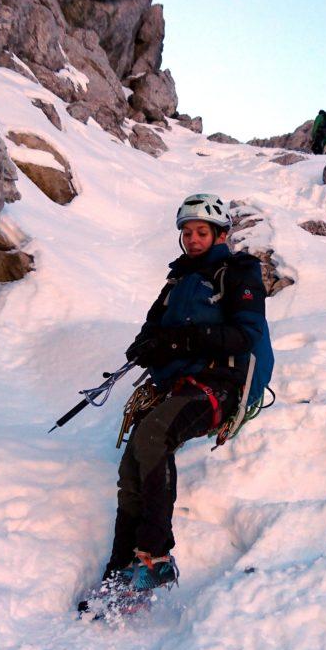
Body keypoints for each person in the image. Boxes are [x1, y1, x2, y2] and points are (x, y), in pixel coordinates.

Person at [92, 193, 272, 601]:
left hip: (221, 384)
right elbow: (152, 327)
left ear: (220, 233)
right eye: (187, 233)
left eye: (201, 232)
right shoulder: (177, 280)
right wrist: (144, 347)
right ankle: (120, 569)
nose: (192, 239)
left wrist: (180, 341)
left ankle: (155, 557)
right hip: (175, 384)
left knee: (154, 437)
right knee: (132, 465)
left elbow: (247, 334)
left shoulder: (239, 272)